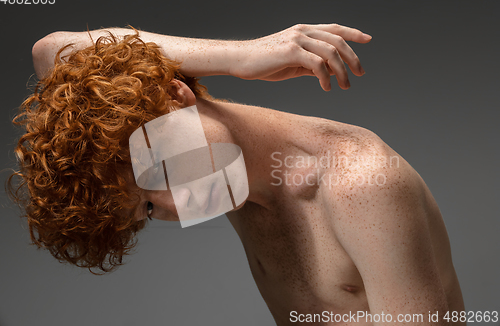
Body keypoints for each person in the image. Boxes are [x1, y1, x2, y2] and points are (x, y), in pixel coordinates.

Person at [9, 23, 465, 325]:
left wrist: (241, 56)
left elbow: (52, 49)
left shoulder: (359, 182)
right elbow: (52, 54)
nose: (171, 204)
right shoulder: (238, 185)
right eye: (146, 209)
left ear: (174, 98)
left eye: (159, 171)